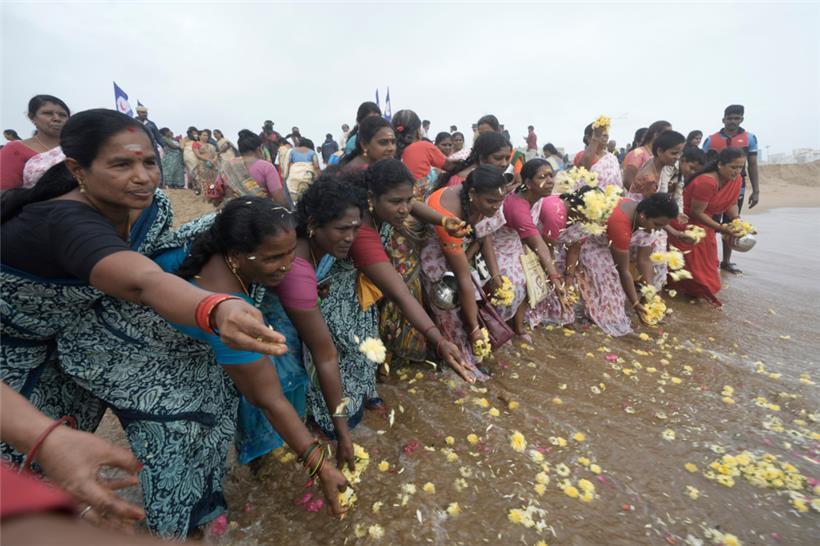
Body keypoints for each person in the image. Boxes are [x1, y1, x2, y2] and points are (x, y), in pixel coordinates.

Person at [0, 109, 286, 536]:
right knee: (34, 460)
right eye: (121, 164)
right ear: (78, 169)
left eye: (149, 162)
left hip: (94, 322)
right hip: (18, 351)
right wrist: (215, 308)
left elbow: (155, 264)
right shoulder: (64, 221)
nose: (142, 177)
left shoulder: (151, 206)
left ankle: (186, 514)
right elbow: (143, 281)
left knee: (201, 395)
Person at [172, 198, 350, 508]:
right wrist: (321, 466)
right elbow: (267, 397)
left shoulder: (222, 244)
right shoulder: (228, 310)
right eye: (274, 258)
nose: (287, 266)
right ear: (237, 256)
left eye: (290, 253)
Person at [353, 160, 473, 386]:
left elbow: (414, 205)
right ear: (371, 197)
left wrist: (443, 220)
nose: (405, 209)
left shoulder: (387, 209)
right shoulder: (361, 230)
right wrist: (439, 341)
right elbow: (400, 294)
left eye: (408, 199)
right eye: (396, 202)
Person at [422, 165, 509, 380]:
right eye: (491, 202)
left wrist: (495, 276)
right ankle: (461, 364)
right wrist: (473, 329)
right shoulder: (447, 214)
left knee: (475, 299)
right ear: (472, 195)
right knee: (448, 310)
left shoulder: (488, 198)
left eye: (501, 201)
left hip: (462, 252)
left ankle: (471, 351)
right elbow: (461, 277)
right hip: (435, 255)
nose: (497, 207)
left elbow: (483, 236)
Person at [668, 147, 746, 305]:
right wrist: (721, 228)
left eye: (740, 167)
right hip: (688, 225)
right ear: (720, 165)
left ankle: (695, 294)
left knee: (708, 267)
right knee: (692, 269)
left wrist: (737, 220)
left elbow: (731, 203)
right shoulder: (707, 181)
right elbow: (697, 213)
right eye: (733, 167)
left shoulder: (737, 180)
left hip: (707, 226)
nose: (737, 171)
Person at [497, 158, 566, 334]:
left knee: (533, 277)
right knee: (518, 283)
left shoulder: (539, 197)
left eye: (551, 175)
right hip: (498, 248)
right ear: (528, 183)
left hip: (517, 245)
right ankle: (497, 326)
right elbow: (537, 243)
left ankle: (517, 326)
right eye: (543, 177)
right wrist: (554, 277)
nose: (550, 181)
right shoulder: (517, 207)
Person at [702, 104, 760, 275]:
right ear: (723, 119)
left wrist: (756, 190)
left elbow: (753, 164)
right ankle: (708, 259)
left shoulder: (750, 138)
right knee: (710, 224)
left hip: (737, 188)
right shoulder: (711, 140)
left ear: (741, 119)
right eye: (730, 118)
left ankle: (726, 261)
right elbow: (702, 163)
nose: (733, 121)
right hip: (714, 189)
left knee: (732, 223)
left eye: (737, 118)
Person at [607, 193, 679, 323]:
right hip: (594, 245)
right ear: (643, 215)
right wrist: (634, 303)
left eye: (662, 226)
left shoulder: (648, 225)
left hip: (620, 244)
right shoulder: (620, 222)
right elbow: (623, 270)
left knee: (659, 262)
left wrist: (650, 293)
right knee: (610, 312)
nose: (657, 229)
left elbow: (644, 260)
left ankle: (645, 303)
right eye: (656, 224)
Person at [1, 95, 70, 190]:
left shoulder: (80, 146)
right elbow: (4, 193)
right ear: (32, 117)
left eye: (62, 115)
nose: (57, 118)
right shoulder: (15, 149)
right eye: (48, 113)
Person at [216, 131, 290, 206]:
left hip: (230, 214)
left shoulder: (226, 167)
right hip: (259, 214)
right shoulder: (266, 167)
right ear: (259, 148)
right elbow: (279, 198)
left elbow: (216, 195)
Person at [393, 109, 448, 198]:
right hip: (420, 204)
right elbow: (451, 167)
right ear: (418, 130)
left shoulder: (387, 149)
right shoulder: (424, 146)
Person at [433, 131, 512, 190]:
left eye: (507, 158)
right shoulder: (460, 183)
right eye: (498, 158)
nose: (504, 164)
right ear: (482, 159)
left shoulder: (492, 177)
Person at [623, 120, 672, 190]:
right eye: (667, 135)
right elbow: (628, 181)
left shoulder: (658, 156)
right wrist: (644, 196)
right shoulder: (638, 153)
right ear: (656, 135)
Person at [192, 129, 219, 199]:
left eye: (207, 135)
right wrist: (208, 159)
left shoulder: (211, 145)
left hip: (212, 165)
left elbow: (216, 154)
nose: (206, 137)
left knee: (213, 179)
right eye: (204, 135)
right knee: (203, 179)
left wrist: (214, 159)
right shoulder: (196, 144)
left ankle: (212, 194)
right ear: (199, 136)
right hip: (202, 164)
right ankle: (205, 195)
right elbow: (197, 154)